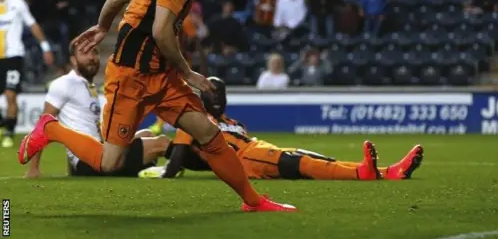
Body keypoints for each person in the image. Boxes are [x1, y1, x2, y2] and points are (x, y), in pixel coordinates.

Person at [18, 0, 296, 212]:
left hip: (159, 76)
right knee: (109, 163)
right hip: (130, 78)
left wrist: (102, 27)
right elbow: (161, 31)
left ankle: (253, 202)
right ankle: (51, 129)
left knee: (208, 133)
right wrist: (188, 73)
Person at [139, 77, 424, 181]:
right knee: (301, 162)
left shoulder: (235, 124)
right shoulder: (194, 119)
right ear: (203, 97)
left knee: (306, 157)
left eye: (220, 93)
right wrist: (165, 173)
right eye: (211, 93)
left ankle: (387, 172)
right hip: (246, 159)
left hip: (257, 148)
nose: (216, 97)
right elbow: (180, 155)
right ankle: (364, 173)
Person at [25, 43, 169, 179]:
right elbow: (43, 125)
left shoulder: (88, 86)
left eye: (94, 52)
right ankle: (174, 164)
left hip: (98, 154)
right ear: (73, 60)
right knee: (161, 143)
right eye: (84, 53)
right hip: (90, 161)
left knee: (147, 134)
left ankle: (144, 170)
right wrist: (33, 168)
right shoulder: (64, 83)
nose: (91, 57)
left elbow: (80, 127)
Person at [0, 0, 54, 147]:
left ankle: (9, 132)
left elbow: (33, 26)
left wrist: (45, 47)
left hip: (13, 57)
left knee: (10, 94)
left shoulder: (18, 4)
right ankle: (4, 122)